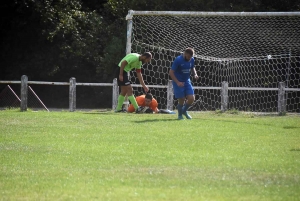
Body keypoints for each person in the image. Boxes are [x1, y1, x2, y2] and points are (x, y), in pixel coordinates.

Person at [169, 48, 199, 120]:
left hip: (186, 81)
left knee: (191, 98)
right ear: (185, 54)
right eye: (188, 56)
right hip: (178, 81)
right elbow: (171, 72)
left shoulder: (192, 59)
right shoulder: (178, 60)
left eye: (190, 57)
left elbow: (192, 67)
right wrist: (177, 82)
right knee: (181, 99)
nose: (189, 58)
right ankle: (180, 115)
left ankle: (184, 111)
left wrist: (195, 74)